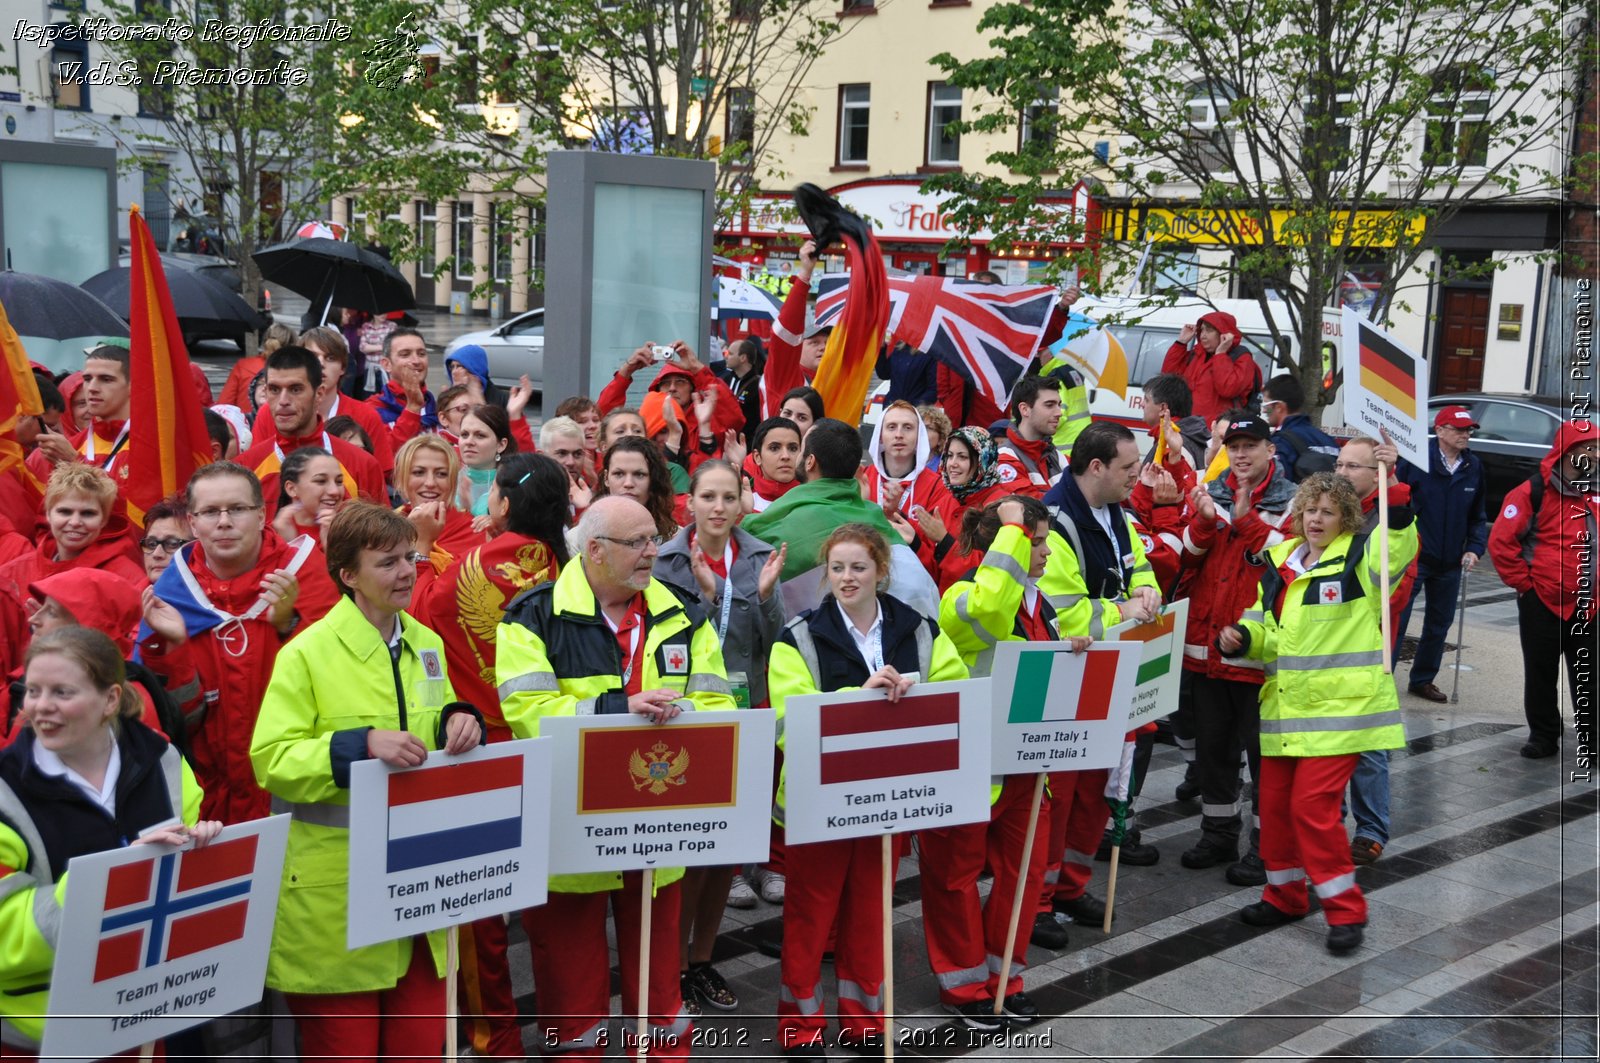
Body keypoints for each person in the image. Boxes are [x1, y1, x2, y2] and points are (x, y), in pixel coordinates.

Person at [496, 495, 736, 1060]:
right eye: (638, 543)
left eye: (655, 538)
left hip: (658, 819)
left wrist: (684, 713)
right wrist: (618, 709)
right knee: (571, 981)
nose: (654, 551)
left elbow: (715, 698)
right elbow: (528, 713)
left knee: (657, 982)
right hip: (572, 826)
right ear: (595, 549)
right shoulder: (532, 615)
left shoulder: (684, 611)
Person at [251, 501, 485, 1060]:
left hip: (422, 887)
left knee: (422, 1050)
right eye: (388, 562)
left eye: (410, 556)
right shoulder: (304, 653)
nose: (407, 570)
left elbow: (430, 718)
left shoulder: (425, 642)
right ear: (348, 575)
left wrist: (461, 717)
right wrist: (360, 745)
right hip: (338, 900)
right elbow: (271, 759)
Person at [766, 523, 969, 1055]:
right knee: (810, 916)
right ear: (825, 574)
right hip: (820, 802)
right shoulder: (799, 635)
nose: (847, 578)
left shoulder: (920, 628)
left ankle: (864, 1021)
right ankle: (800, 1026)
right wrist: (859, 698)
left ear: (881, 571)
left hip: (888, 798)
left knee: (869, 914)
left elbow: (957, 690)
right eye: (837, 568)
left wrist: (915, 688)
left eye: (859, 567)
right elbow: (788, 720)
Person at [1219, 471, 1417, 954]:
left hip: (1342, 717)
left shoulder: (1361, 558)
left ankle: (1346, 911)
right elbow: (1267, 625)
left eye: (1328, 512)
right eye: (1310, 509)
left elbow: (1398, 541)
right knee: (1277, 810)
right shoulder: (1281, 561)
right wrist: (1243, 639)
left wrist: (1395, 489)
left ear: (1346, 518)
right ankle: (1284, 896)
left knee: (1312, 810)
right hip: (1287, 709)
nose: (1316, 519)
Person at [411, 453, 567, 1060]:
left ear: (503, 503)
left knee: (479, 915)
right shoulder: (565, 560)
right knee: (554, 914)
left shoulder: (474, 563)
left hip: (482, 749)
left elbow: (421, 616)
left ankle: (494, 1037)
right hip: (546, 743)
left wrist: (424, 551)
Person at [0, 628, 219, 1058]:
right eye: (33, 690)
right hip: (37, 1038)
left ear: (111, 699)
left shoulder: (164, 762)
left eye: (62, 692)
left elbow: (187, 899)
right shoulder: (5, 791)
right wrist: (113, 879)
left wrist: (205, 852)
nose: (40, 707)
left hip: (144, 1027)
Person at [928, 494, 1084, 1028]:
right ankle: (966, 985)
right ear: (1003, 544)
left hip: (1025, 767)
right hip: (968, 766)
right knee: (956, 879)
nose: (1043, 552)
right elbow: (992, 615)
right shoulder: (961, 597)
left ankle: (1004, 979)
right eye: (1034, 541)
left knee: (1023, 878)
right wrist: (1013, 534)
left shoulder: (1040, 605)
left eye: (1039, 541)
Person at [654, 460, 787, 1014]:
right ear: (690, 504)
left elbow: (776, 640)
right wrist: (709, 598)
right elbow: (669, 636)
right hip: (689, 717)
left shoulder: (759, 554)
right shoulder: (663, 559)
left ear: (741, 503)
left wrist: (764, 595)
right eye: (707, 495)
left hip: (749, 710)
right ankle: (672, 966)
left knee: (723, 854)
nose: (716, 507)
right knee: (689, 850)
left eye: (728, 497)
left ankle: (702, 960)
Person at [138, 462, 340, 823]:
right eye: (210, 511)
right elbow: (167, 727)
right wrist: (173, 652)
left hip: (295, 799)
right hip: (207, 807)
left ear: (262, 514)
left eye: (238, 509)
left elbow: (339, 696)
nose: (224, 522)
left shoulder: (309, 575)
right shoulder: (169, 596)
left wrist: (286, 626)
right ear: (192, 522)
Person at [1032, 421, 1162, 941]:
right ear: (1096, 467)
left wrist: (1146, 595)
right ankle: (1038, 899)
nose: (1138, 476)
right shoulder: (1056, 522)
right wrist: (1124, 608)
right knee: (1060, 797)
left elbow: (1141, 568)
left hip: (1108, 674)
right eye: (1129, 468)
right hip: (1066, 680)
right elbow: (1064, 617)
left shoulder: (1116, 514)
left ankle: (1070, 884)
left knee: (1093, 795)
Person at [1177, 412, 1295, 885]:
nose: (1241, 454)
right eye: (1234, 445)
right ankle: (1219, 833)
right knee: (1214, 752)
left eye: (1251, 445)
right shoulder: (1212, 492)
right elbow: (1186, 555)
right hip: (1208, 649)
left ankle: (1266, 850)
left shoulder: (1292, 502)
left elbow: (1288, 559)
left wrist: (1245, 522)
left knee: (1265, 760)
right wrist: (1205, 524)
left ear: (1271, 450)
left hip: (1259, 656)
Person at [743, 418, 940, 620]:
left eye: (798, 449)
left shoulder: (773, 527)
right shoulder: (875, 516)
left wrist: (742, 514)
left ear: (809, 462)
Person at [1487, 419, 1600, 759]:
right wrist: (1526, 586)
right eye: (1589, 448)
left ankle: (1593, 744)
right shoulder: (1531, 491)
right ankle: (1543, 738)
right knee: (1541, 674)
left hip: (1589, 605)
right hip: (1543, 603)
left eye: (1598, 449)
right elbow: (1502, 542)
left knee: (1590, 677)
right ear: (1568, 451)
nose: (1595, 456)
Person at [1329, 433, 1415, 866]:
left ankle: (1371, 830)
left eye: (1352, 466)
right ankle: (1331, 819)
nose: (1341, 472)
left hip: (1366, 647)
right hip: (1323, 649)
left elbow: (1394, 586)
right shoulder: (1329, 509)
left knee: (1368, 746)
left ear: (1375, 473)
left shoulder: (1392, 516)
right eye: (1339, 464)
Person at [1395, 406, 1489, 704]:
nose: (1465, 435)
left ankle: (1422, 680)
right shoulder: (1415, 459)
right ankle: (1381, 679)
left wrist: (1474, 548)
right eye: (1459, 429)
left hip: (1451, 562)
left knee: (1439, 625)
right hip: (1414, 557)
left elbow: (1478, 516)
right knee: (1398, 618)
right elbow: (1398, 502)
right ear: (1440, 430)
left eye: (1468, 430)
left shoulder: (1473, 466)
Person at [237, 346, 386, 515]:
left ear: (319, 394)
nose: (283, 401)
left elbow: (383, 539)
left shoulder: (362, 465)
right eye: (274, 389)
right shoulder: (245, 468)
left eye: (295, 389)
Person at [0, 463, 144, 602]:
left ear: (104, 520)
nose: (75, 522)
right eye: (65, 512)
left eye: (88, 514)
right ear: (48, 515)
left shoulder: (127, 579)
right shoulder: (12, 573)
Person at [598, 341, 744, 457]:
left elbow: (734, 418)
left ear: (692, 389)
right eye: (666, 383)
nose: (672, 388)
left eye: (680, 382)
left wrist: (696, 367)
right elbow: (604, 414)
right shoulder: (644, 419)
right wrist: (627, 370)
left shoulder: (705, 421)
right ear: (657, 389)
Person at [295, 326, 395, 474]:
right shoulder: (277, 413)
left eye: (330, 358)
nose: (321, 364)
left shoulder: (366, 416)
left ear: (342, 368)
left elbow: (380, 477)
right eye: (312, 356)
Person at [392, 434, 484, 573]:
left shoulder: (475, 532)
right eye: (418, 472)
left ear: (453, 481)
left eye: (441, 474)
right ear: (402, 478)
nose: (430, 483)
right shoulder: (386, 526)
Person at [1161, 310, 1262, 423]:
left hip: (1218, 431)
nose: (1203, 335)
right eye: (1201, 330)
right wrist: (1181, 342)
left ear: (1223, 333)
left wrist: (1220, 354)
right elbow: (1168, 380)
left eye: (1209, 330)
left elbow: (1227, 389)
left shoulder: (1241, 357)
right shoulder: (1196, 355)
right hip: (1188, 427)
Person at [597, 436, 680, 541]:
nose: (628, 483)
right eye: (619, 474)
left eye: (639, 474)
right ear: (606, 478)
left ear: (653, 480)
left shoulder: (676, 538)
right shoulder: (578, 538)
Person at [366, 328, 439, 444]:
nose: (416, 361)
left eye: (421, 354)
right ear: (387, 364)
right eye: (405, 355)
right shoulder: (372, 410)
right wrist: (413, 408)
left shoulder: (439, 407)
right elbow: (387, 454)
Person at [1262, 374, 1340, 482]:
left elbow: (1277, 486)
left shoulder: (1281, 442)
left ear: (1279, 407)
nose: (1263, 410)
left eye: (1266, 405)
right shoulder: (1328, 439)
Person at [996, 376, 1065, 495]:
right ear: (1025, 409)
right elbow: (1034, 510)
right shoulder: (1004, 458)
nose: (1059, 412)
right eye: (1049, 405)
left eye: (1059, 405)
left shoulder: (1058, 456)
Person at [270, 446, 348, 545]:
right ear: (291, 489)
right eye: (321, 481)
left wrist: (332, 547)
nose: (335, 491)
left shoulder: (355, 533)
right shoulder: (268, 535)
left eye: (339, 481)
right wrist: (287, 544)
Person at [1140, 372, 1210, 472]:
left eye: (1146, 400)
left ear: (1163, 408)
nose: (1141, 404)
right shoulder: (1191, 434)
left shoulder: (1173, 444)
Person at [457, 404, 518, 515]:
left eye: (480, 435)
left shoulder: (514, 487)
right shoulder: (445, 481)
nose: (469, 442)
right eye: (464, 435)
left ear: (501, 445)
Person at [742, 416, 804, 514]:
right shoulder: (740, 502)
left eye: (793, 448)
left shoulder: (812, 501)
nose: (785, 456)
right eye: (774, 448)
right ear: (757, 457)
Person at [540, 415, 596, 515]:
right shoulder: (527, 498)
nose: (571, 462)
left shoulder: (594, 498)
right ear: (542, 456)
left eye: (577, 454)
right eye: (562, 453)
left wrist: (586, 508)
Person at [138, 499, 192, 586]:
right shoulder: (127, 598)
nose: (156, 554)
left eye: (172, 544)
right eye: (151, 544)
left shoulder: (215, 598)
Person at [719, 336, 766, 435]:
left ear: (743, 358)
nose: (726, 356)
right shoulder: (725, 379)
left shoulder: (759, 385)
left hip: (746, 442)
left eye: (730, 353)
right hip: (725, 439)